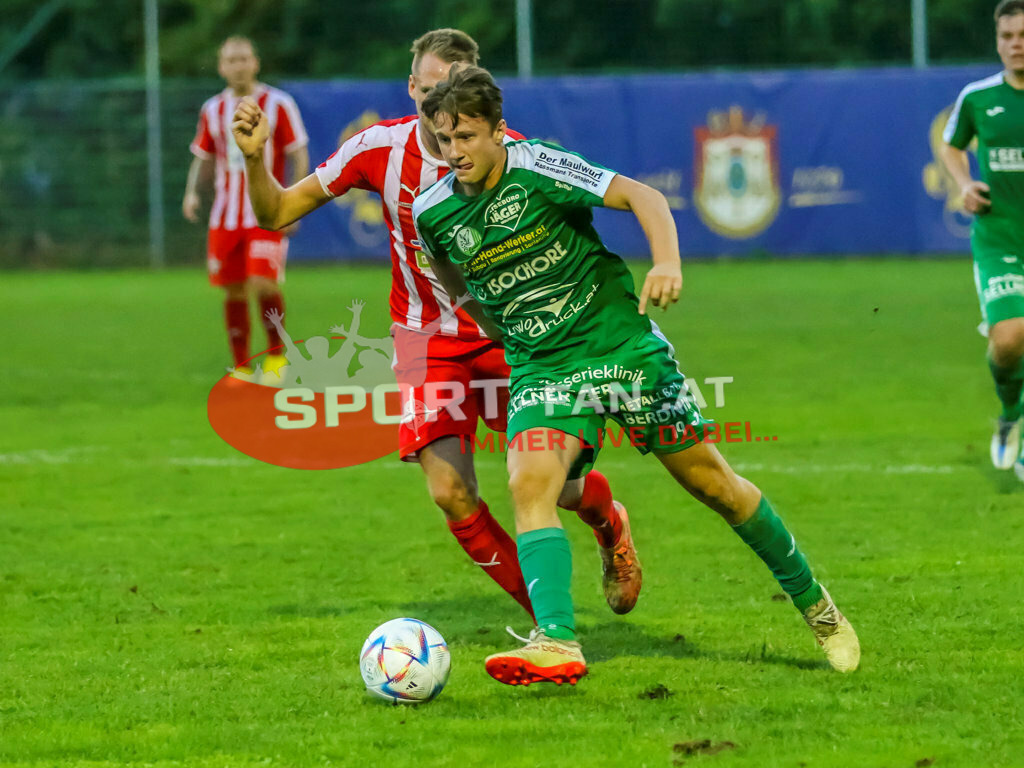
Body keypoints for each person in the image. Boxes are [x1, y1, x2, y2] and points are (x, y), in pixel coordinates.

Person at [412, 66, 860, 686]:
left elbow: (642, 196)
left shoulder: (539, 166)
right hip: (546, 367)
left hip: (620, 347)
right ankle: (558, 643)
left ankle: (819, 608)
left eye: (465, 135)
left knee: (715, 487)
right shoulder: (432, 211)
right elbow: (458, 284)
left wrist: (667, 261)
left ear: (496, 131)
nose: (453, 151)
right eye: (442, 139)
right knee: (528, 483)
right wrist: (502, 327)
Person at [229, 29, 640, 621]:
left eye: (452, 97)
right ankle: (547, 621)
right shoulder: (376, 149)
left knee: (561, 486)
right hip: (426, 339)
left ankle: (608, 520)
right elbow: (276, 212)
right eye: (428, 95)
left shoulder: (513, 153)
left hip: (510, 338)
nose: (441, 115)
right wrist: (252, 157)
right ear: (411, 88)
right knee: (449, 490)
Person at [183, 36, 309, 374]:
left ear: (256, 63)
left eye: (244, 59)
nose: (238, 65)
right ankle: (240, 365)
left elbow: (298, 152)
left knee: (263, 283)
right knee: (234, 290)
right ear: (222, 67)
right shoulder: (213, 109)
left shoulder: (279, 103)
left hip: (266, 212)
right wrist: (191, 192)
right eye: (231, 60)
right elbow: (203, 156)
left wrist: (295, 199)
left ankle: (276, 355)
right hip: (225, 216)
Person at [940, 0, 1024, 479]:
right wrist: (964, 184)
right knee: (1010, 340)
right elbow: (952, 145)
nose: (1016, 44)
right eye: (1008, 36)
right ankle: (1010, 412)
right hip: (1000, 237)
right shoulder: (978, 97)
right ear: (998, 42)